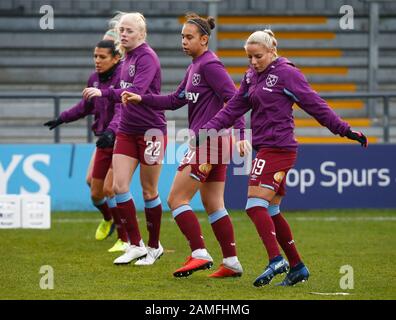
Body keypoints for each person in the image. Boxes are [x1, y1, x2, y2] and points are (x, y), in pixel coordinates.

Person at [200, 29, 368, 286]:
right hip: (266, 147)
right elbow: (234, 107)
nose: (253, 62)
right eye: (249, 58)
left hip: (279, 148)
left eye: (258, 56)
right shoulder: (251, 76)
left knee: (255, 205)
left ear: (272, 51)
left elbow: (315, 104)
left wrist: (344, 130)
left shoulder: (287, 74)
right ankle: (298, 267)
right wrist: (208, 129)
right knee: (272, 209)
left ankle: (275, 259)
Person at [122, 13, 250, 278]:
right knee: (214, 204)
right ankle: (232, 261)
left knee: (176, 199)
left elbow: (234, 100)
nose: (184, 41)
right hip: (215, 143)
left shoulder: (210, 65)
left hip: (210, 141)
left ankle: (199, 252)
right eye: (182, 36)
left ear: (204, 39)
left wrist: (241, 134)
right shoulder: (194, 67)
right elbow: (173, 100)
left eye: (189, 37)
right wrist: (141, 98)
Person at [82, 12, 166, 266]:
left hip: (151, 131)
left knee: (149, 191)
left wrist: (104, 92)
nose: (124, 34)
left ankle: (154, 246)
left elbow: (135, 92)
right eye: (122, 30)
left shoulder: (148, 57)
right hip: (127, 131)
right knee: (118, 187)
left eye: (129, 30)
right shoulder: (127, 58)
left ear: (142, 33)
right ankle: (135, 244)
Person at [44, 40, 130, 252]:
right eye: (95, 57)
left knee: (111, 188)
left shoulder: (123, 78)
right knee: (94, 191)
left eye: (102, 57)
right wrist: (62, 118)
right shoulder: (94, 80)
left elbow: (122, 109)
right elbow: (85, 107)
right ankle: (109, 219)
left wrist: (112, 131)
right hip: (103, 139)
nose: (97, 61)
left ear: (116, 58)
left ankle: (125, 238)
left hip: (121, 139)